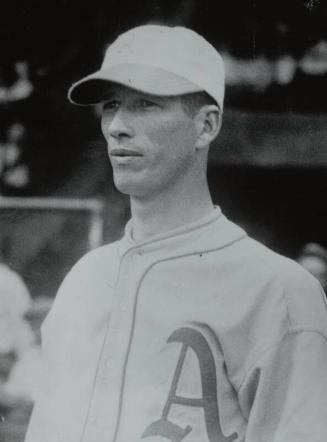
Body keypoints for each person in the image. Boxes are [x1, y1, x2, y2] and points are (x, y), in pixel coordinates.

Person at [25, 25, 327, 442]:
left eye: (145, 104)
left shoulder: (279, 290)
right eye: (112, 104)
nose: (117, 126)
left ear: (206, 126)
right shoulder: (84, 279)